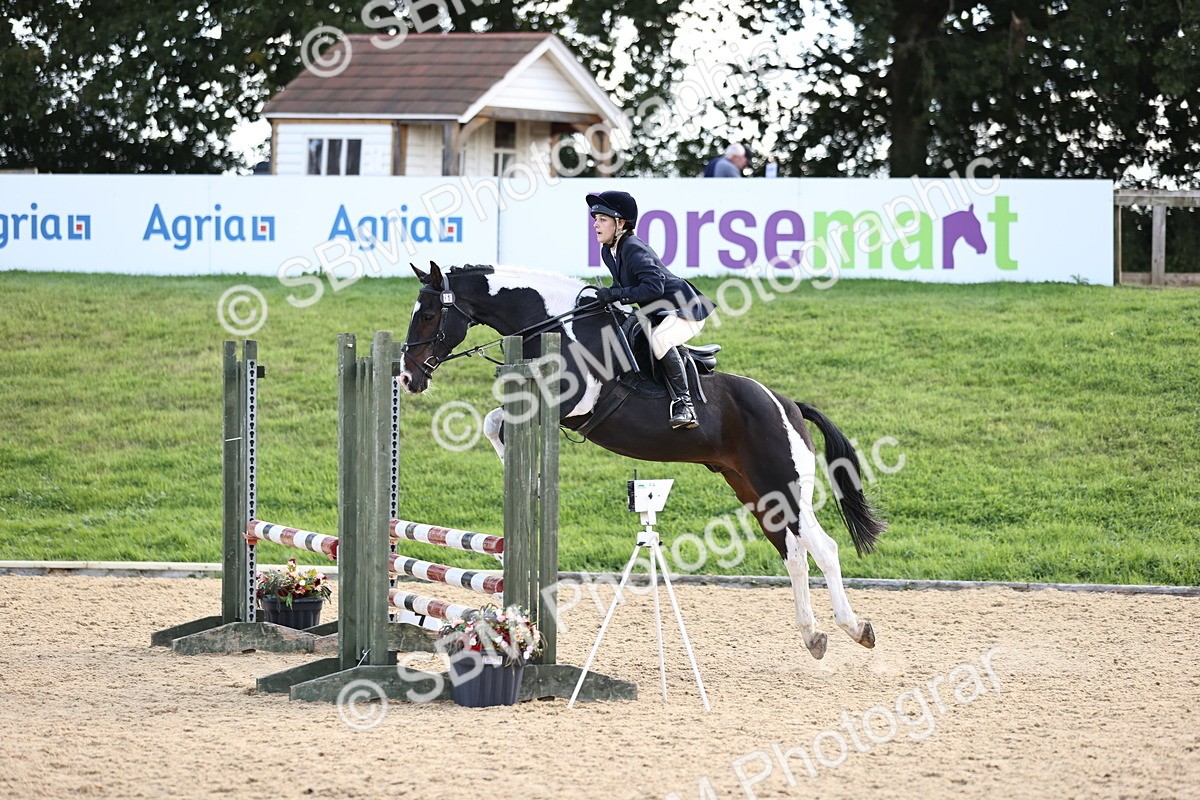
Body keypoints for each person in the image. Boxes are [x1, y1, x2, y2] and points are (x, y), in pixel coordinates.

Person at [586, 190, 713, 430]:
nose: (595, 224)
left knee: (660, 340)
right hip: (660, 312)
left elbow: (654, 287)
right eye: (595, 219)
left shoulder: (633, 247)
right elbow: (622, 288)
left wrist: (614, 294)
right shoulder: (609, 251)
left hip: (685, 309)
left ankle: (684, 405)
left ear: (620, 223)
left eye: (602, 219)